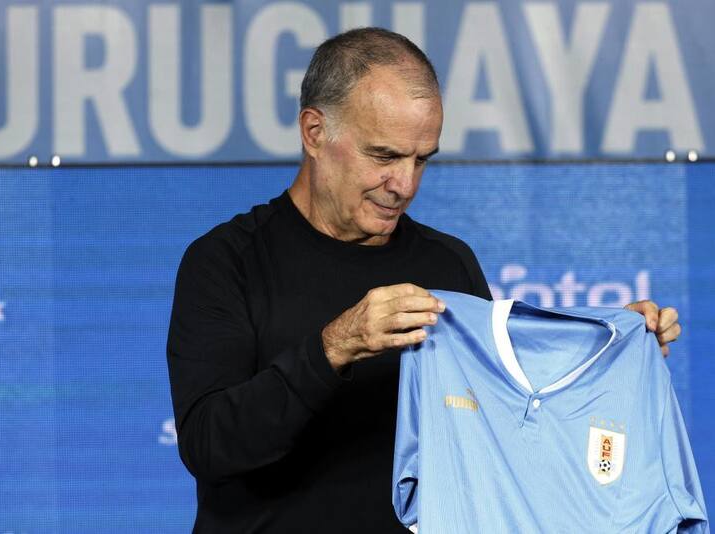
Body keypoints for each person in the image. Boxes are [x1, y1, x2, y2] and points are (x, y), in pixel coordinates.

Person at [166, 27, 681, 533]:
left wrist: (606, 351)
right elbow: (211, 446)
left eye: (421, 160)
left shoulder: (448, 265)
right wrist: (335, 346)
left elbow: (508, 435)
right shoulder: (225, 261)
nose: (404, 185)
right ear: (314, 132)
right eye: (385, 156)